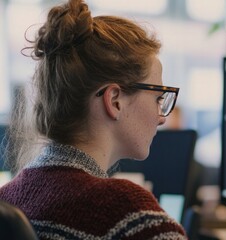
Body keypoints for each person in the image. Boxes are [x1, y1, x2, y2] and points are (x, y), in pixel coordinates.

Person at [0, 0, 187, 239]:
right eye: (158, 98)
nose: (161, 118)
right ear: (115, 100)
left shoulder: (8, 199)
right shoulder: (128, 214)